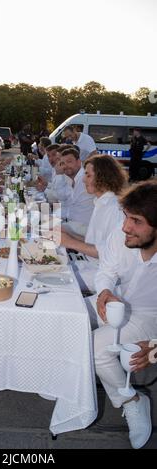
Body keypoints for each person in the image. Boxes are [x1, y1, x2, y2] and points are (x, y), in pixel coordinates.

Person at [92, 180, 157, 449]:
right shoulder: (121, 237)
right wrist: (104, 291)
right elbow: (106, 271)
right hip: (119, 299)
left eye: (137, 221)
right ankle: (69, 383)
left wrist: (155, 348)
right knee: (64, 314)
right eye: (126, 217)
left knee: (95, 349)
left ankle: (132, 400)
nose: (125, 227)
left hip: (150, 315)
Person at [60, 154, 127, 291]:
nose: (84, 180)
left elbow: (110, 253)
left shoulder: (114, 208)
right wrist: (67, 235)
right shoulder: (101, 203)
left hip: (103, 275)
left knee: (56, 282)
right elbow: (95, 241)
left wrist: (69, 242)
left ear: (104, 177)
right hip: (88, 264)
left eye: (88, 175)